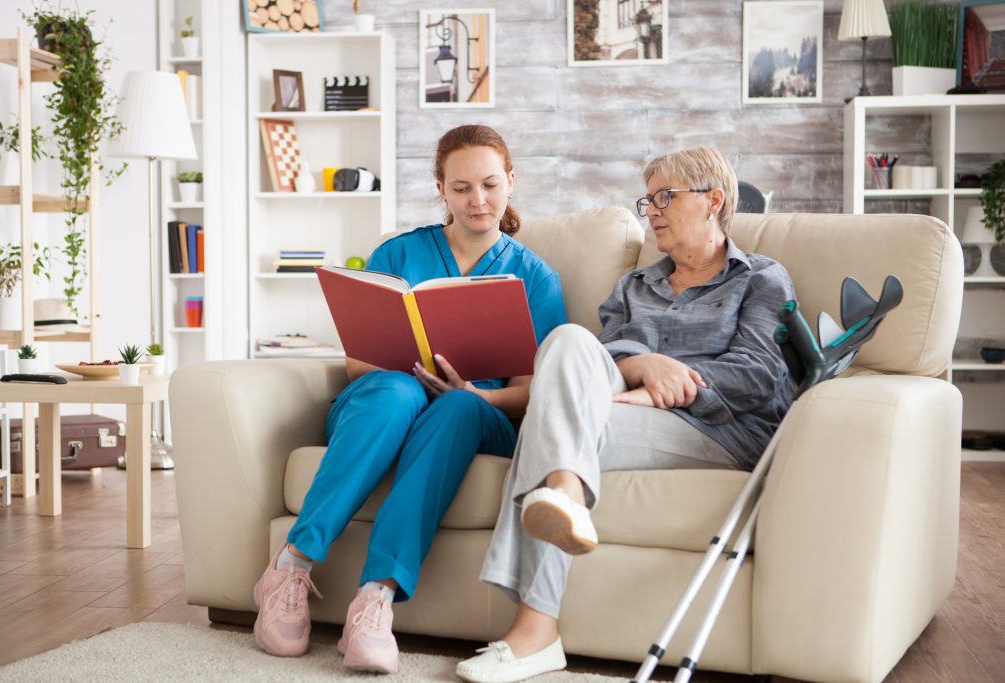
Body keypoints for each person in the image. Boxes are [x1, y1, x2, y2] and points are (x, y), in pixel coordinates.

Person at [456, 146, 797, 683]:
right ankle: (564, 496)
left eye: (666, 196)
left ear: (714, 200)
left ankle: (535, 630)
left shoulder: (761, 278)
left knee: (555, 420)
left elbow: (757, 374)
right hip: (623, 410)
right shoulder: (634, 286)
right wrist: (646, 364)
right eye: (648, 200)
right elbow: (606, 354)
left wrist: (661, 388)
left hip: (720, 430)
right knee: (566, 341)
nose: (653, 210)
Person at [251, 124, 567, 674]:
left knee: (457, 407)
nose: (478, 200)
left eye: (490, 185)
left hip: (478, 415)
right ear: (440, 188)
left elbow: (534, 392)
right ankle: (290, 567)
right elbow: (357, 364)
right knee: (397, 392)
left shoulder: (535, 277)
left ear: (511, 183)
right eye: (462, 187)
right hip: (387, 399)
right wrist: (414, 377)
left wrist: (473, 394)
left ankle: (375, 599)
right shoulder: (397, 253)